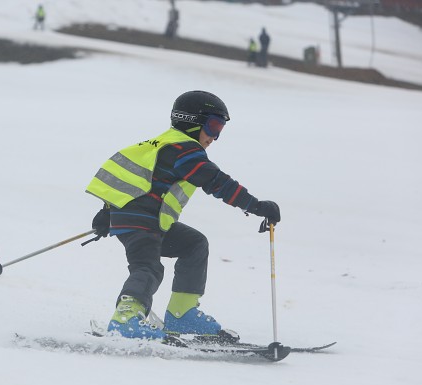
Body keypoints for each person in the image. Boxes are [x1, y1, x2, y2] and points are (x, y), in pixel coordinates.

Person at [85, 91, 281, 340]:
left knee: (194, 244)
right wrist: (256, 206)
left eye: (220, 128)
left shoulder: (159, 144)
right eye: (212, 126)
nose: (214, 136)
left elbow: (128, 178)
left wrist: (107, 214)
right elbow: (216, 182)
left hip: (147, 219)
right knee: (148, 267)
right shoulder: (184, 150)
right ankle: (126, 319)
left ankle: (181, 314)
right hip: (143, 220)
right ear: (191, 122)